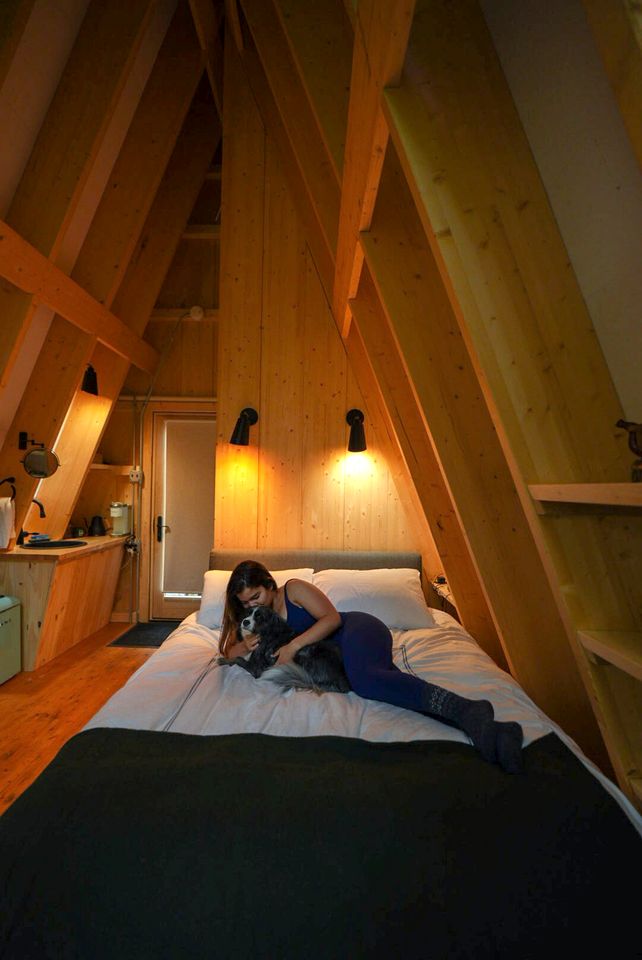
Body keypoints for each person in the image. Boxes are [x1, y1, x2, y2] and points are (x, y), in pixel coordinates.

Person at [220, 560, 524, 773]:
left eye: (256, 596)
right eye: (245, 604)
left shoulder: (293, 589)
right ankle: (481, 722)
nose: (252, 606)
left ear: (270, 585)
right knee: (380, 682)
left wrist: (294, 646)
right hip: (337, 654)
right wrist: (244, 646)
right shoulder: (255, 622)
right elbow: (228, 650)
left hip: (355, 630)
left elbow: (332, 618)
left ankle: (468, 711)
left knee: (366, 682)